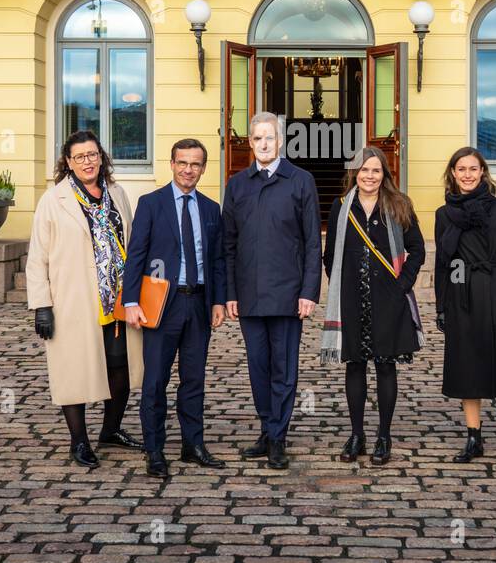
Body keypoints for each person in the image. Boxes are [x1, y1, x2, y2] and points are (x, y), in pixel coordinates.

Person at [26, 130, 144, 469]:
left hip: (118, 301)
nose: (87, 162)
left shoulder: (118, 194)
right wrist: (42, 306)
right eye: (79, 157)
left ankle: (111, 430)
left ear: (101, 157)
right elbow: (38, 257)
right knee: (73, 372)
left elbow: (131, 242)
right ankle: (79, 440)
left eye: (92, 155)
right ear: (68, 162)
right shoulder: (54, 199)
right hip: (73, 300)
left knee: (121, 370)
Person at [122, 138, 228, 479]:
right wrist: (130, 301)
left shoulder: (211, 209)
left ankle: (192, 444)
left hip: (197, 302)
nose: (188, 170)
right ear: (171, 163)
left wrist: (217, 301)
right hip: (160, 304)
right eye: (182, 163)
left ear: (203, 168)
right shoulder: (151, 204)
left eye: (195, 164)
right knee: (155, 380)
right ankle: (154, 450)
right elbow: (136, 254)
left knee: (194, 379)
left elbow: (217, 260)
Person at [223, 112, 321, 471]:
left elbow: (313, 241)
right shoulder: (237, 185)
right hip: (249, 294)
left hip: (287, 293)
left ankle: (278, 436)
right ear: (250, 142)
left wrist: (309, 291)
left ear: (280, 142)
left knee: (284, 369)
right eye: (257, 138)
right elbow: (228, 244)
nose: (264, 144)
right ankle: (267, 427)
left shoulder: (300, 181)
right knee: (258, 367)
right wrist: (230, 292)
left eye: (270, 138)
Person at [321, 147, 425, 465]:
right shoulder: (341, 206)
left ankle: (383, 436)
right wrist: (340, 284)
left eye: (376, 170)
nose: (369, 176)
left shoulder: (398, 205)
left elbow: (417, 249)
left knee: (384, 366)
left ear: (384, 175)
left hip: (388, 299)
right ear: (355, 173)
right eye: (364, 170)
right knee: (355, 365)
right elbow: (330, 253)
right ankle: (357, 436)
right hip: (352, 300)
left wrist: (401, 284)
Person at [434, 147, 496, 472]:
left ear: (483, 172)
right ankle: (474, 438)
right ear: (452, 173)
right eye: (461, 169)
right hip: (462, 295)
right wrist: (442, 304)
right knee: (467, 367)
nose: (467, 175)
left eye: (473, 169)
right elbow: (444, 263)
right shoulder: (444, 214)